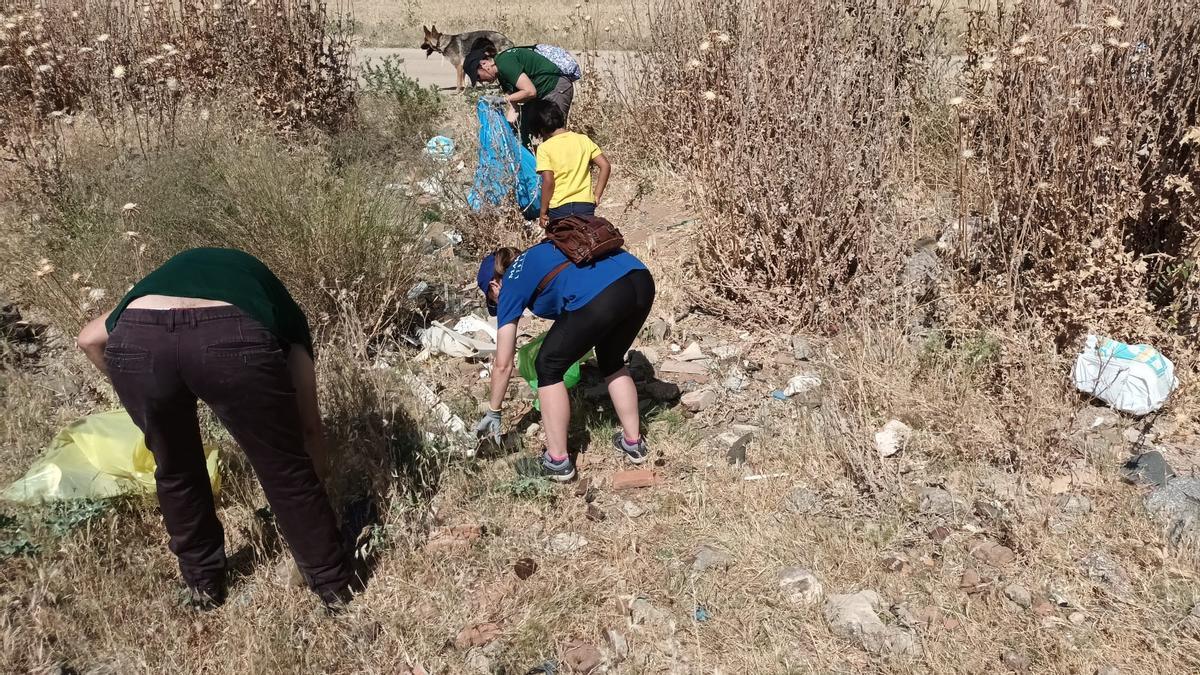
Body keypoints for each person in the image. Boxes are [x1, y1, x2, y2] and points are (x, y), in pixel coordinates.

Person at [76, 248, 355, 609]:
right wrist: (319, 476)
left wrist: (144, 399)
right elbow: (309, 430)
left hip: (139, 341)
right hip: (230, 338)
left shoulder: (152, 289)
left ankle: (203, 587)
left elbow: (88, 339)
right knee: (284, 469)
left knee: (175, 468)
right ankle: (333, 588)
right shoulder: (274, 303)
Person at [474, 243, 655, 481]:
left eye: (493, 299)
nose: (498, 303)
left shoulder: (509, 285)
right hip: (640, 280)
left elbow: (503, 364)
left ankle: (557, 461)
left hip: (603, 295)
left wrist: (494, 411)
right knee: (610, 358)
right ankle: (633, 443)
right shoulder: (539, 253)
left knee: (547, 366)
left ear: (494, 285)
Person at [465, 45, 574, 146]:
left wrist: (503, 99)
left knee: (554, 135)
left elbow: (530, 91)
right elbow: (514, 104)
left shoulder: (505, 64)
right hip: (540, 94)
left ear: (484, 64)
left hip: (555, 87)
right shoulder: (502, 76)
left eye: (478, 77)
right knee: (524, 131)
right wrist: (508, 128)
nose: (482, 82)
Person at [526, 99, 610, 225]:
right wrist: (597, 195)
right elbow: (605, 166)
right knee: (584, 239)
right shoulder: (583, 140)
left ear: (541, 129)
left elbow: (548, 181)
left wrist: (543, 212)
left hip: (559, 207)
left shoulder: (545, 148)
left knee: (563, 241)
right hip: (585, 205)